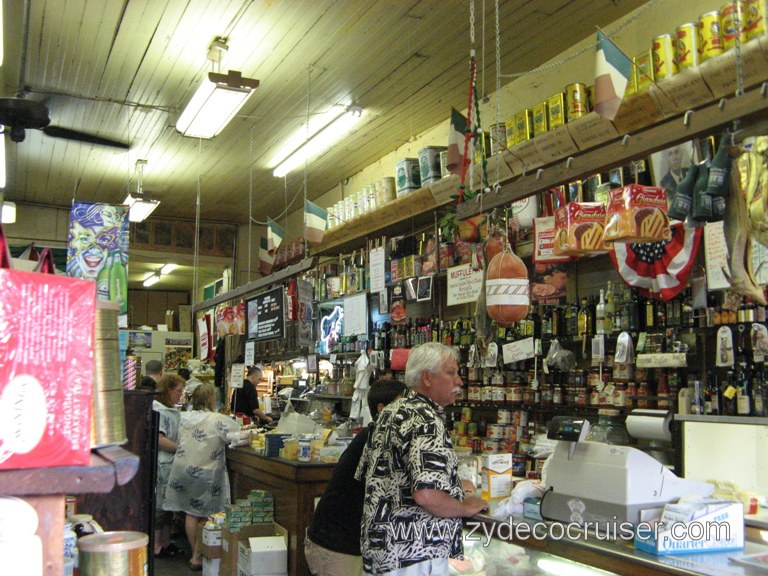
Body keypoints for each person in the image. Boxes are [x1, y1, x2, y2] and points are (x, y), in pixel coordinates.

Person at [355, 342, 487, 576]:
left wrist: (454, 486)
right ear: (427, 377)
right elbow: (426, 494)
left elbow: (368, 476)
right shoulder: (426, 421)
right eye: (451, 372)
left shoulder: (390, 412)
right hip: (414, 555)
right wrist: (462, 507)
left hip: (382, 552)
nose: (459, 381)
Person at [305, 380, 406, 576]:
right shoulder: (377, 439)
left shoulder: (379, 436)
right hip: (337, 548)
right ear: (382, 409)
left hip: (345, 545)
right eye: (403, 405)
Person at [164, 383, 240, 571]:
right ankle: (198, 556)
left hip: (182, 467)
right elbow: (236, 435)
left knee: (191, 513)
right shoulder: (218, 419)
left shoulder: (183, 417)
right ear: (211, 399)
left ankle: (194, 553)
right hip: (205, 471)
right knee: (207, 512)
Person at [152, 374, 185, 558]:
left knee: (168, 507)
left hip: (169, 463)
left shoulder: (168, 409)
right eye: (178, 391)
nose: (180, 395)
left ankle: (165, 542)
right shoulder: (160, 410)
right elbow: (160, 439)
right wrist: (181, 449)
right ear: (168, 389)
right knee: (160, 507)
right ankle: (157, 545)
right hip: (163, 463)